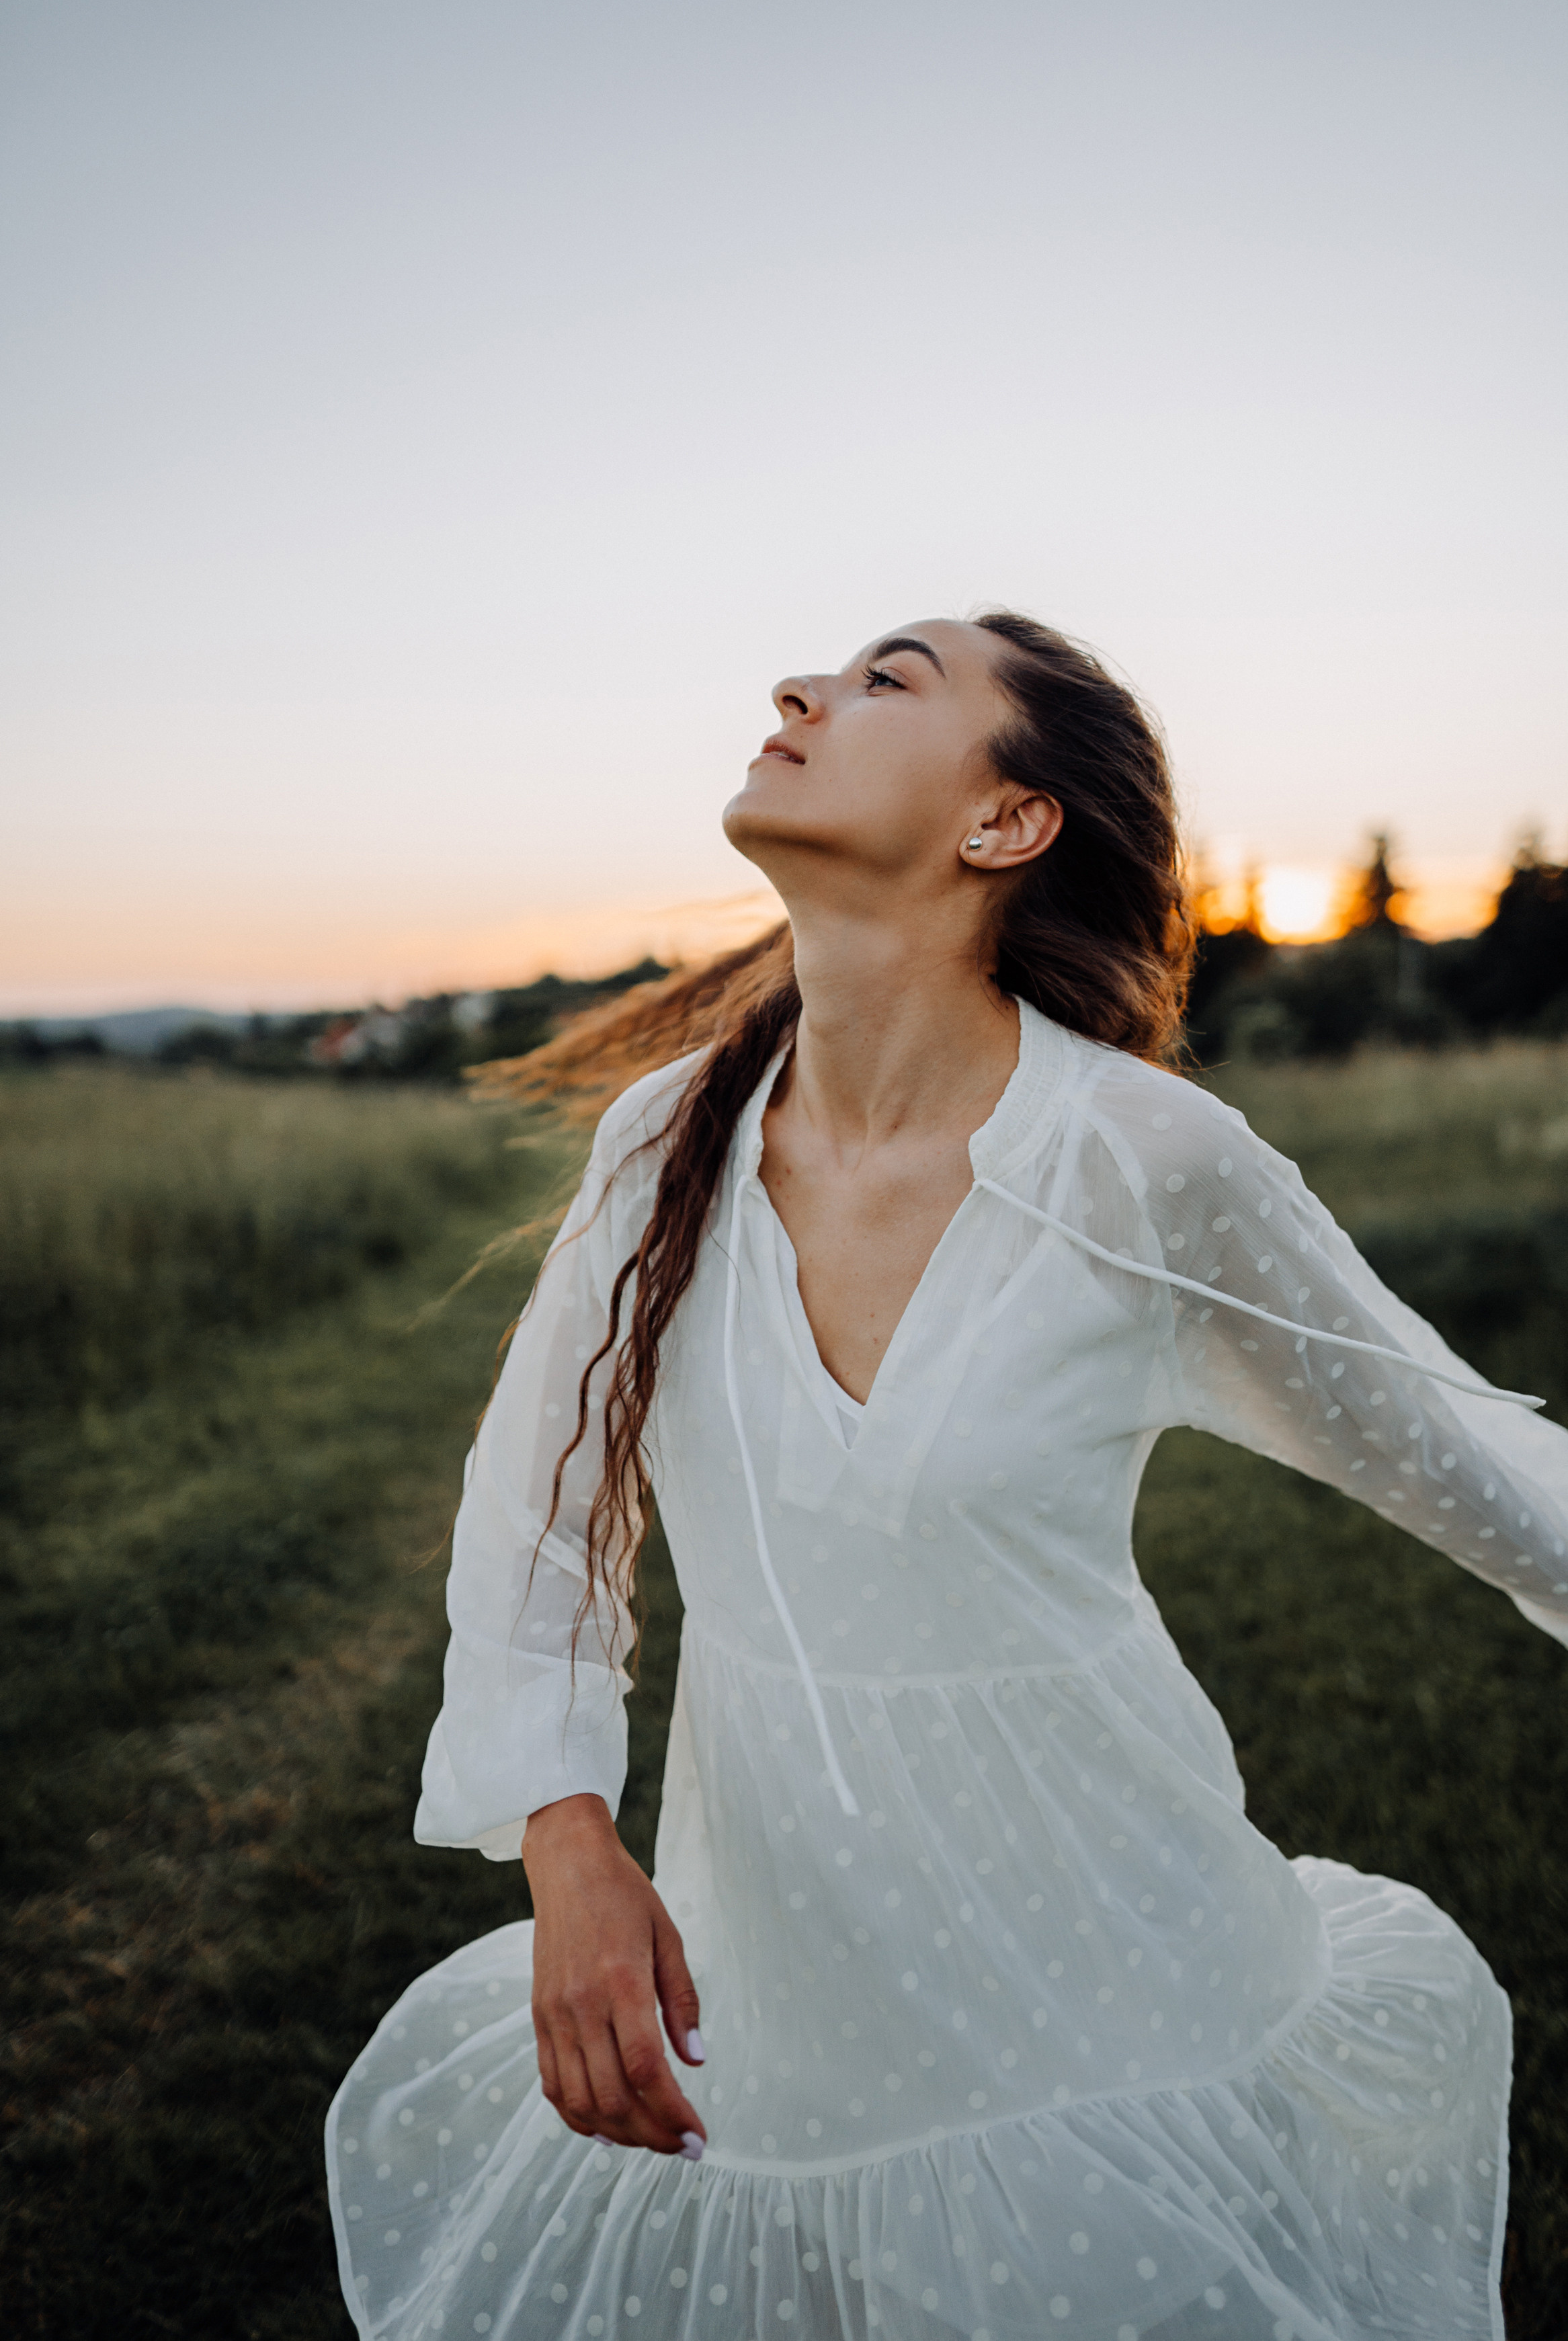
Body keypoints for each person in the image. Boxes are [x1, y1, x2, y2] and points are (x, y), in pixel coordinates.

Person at [327, 612, 1567, 2340]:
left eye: (888, 678)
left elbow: (1466, 1460)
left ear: (1007, 822)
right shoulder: (665, 1135)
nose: (799, 690)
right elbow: (545, 1512)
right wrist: (568, 1843)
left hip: (1119, 1977)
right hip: (779, 1988)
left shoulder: (1147, 1162)